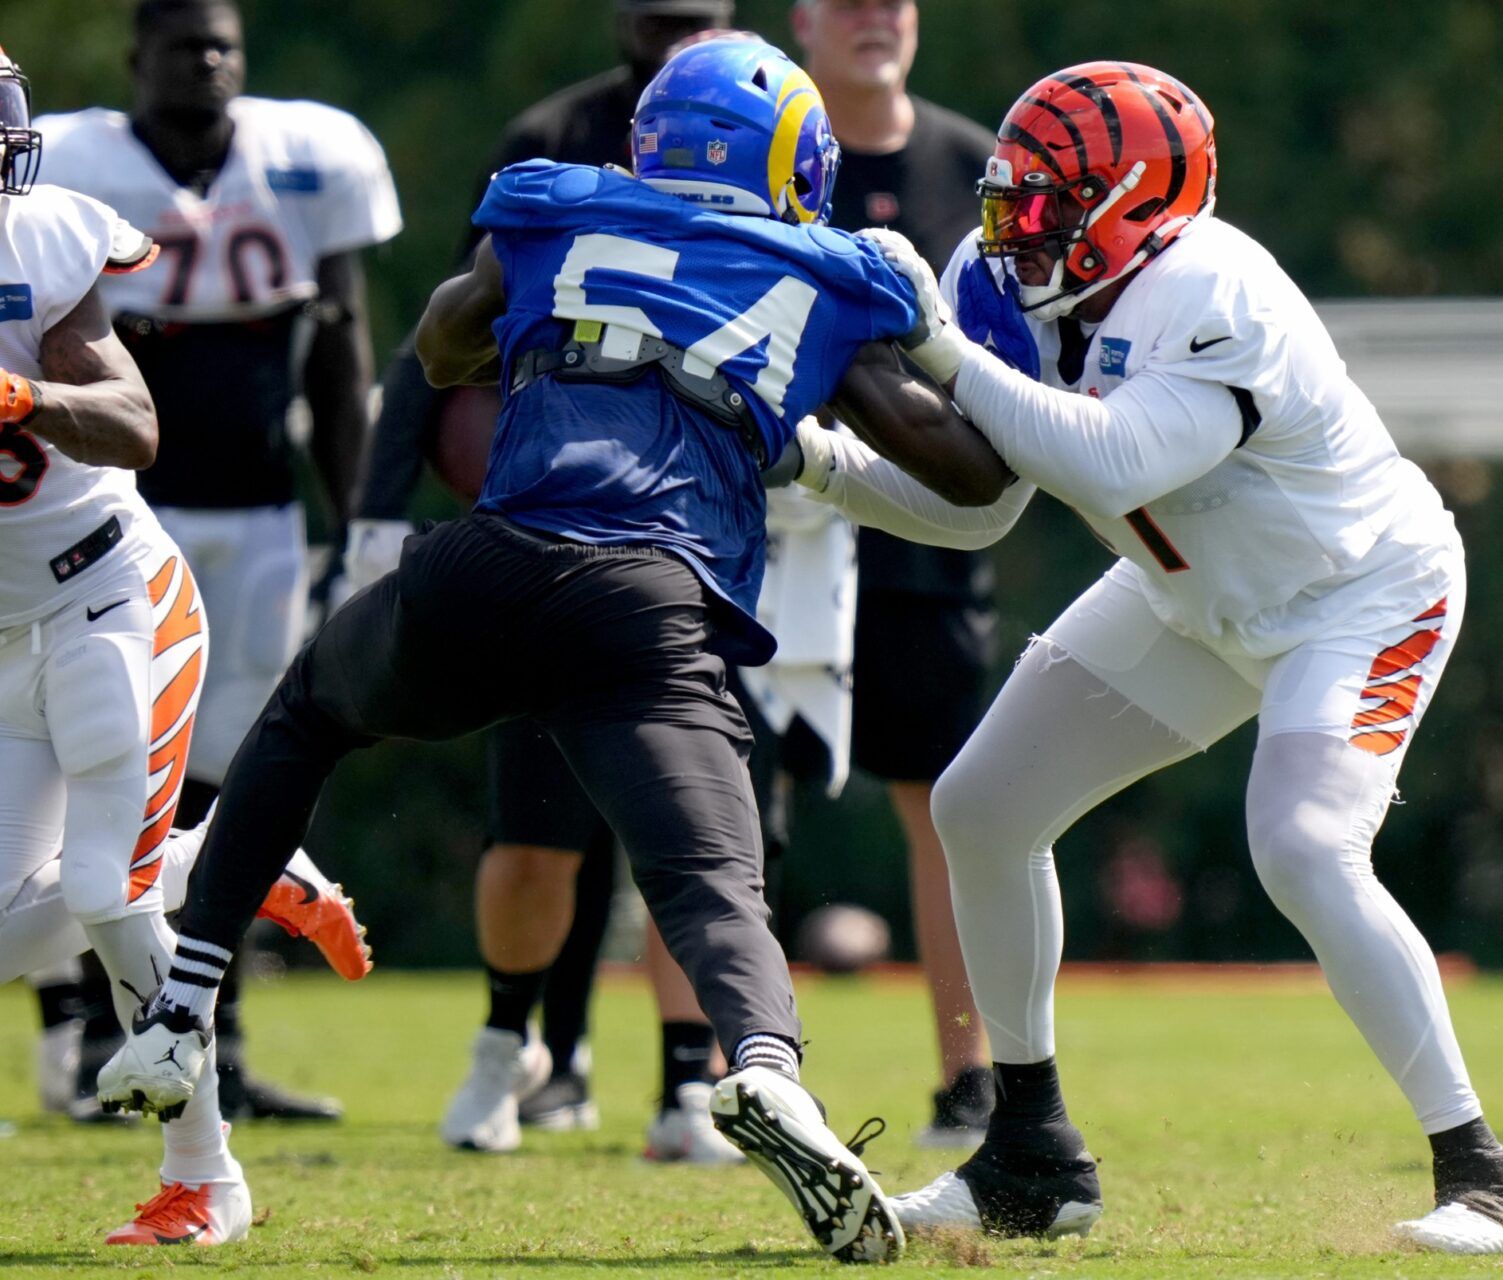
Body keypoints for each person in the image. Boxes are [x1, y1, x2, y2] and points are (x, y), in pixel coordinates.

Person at [99, 38, 1007, 1264]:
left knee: (307, 714)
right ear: (790, 160)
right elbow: (962, 471)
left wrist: (556, 320)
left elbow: (437, 341)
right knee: (709, 881)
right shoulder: (826, 272)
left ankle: (183, 996)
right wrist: (917, 338)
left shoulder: (555, 207)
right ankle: (768, 1073)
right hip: (646, 604)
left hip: (492, 559)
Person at [781, 59, 1503, 1254]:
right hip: (1191, 594)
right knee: (980, 805)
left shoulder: (1216, 286)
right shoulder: (996, 280)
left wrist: (938, 349)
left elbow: (1111, 462)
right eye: (1009, 193)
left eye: (1048, 199)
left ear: (1137, 202)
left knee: (1302, 846)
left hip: (1358, 592)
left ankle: (1487, 1173)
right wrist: (816, 463)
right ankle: (1030, 1153)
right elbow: (981, 504)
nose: (1010, 226)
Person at [344, 0, 755, 1158]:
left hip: (704, 540)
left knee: (700, 834)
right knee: (531, 827)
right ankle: (506, 1045)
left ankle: (688, 1082)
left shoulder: (776, 123)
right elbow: (449, 333)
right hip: (560, 519)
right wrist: (379, 516)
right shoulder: (550, 142)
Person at [0, 43, 361, 1245]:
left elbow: (133, 424)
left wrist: (26, 399)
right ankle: (234, 861)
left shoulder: (42, 240)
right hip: (6, 630)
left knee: (105, 888)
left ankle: (203, 1179)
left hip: (110, 593)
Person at [789, 0, 998, 1146]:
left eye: (895, 0)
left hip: (923, 533)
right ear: (801, 20)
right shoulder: (761, 151)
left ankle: (972, 1077)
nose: (876, 18)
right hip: (766, 521)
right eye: (848, 0)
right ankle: (725, 1074)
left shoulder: (977, 166)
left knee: (955, 807)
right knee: (727, 799)